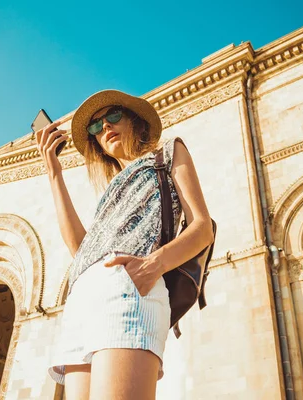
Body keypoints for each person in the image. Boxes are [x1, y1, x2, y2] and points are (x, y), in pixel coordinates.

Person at [37, 89, 214, 399]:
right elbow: (81, 251)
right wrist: (54, 174)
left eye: (113, 116)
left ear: (135, 121)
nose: (105, 127)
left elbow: (202, 228)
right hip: (81, 302)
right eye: (96, 126)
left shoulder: (167, 153)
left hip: (127, 291)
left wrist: (153, 265)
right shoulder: (109, 192)